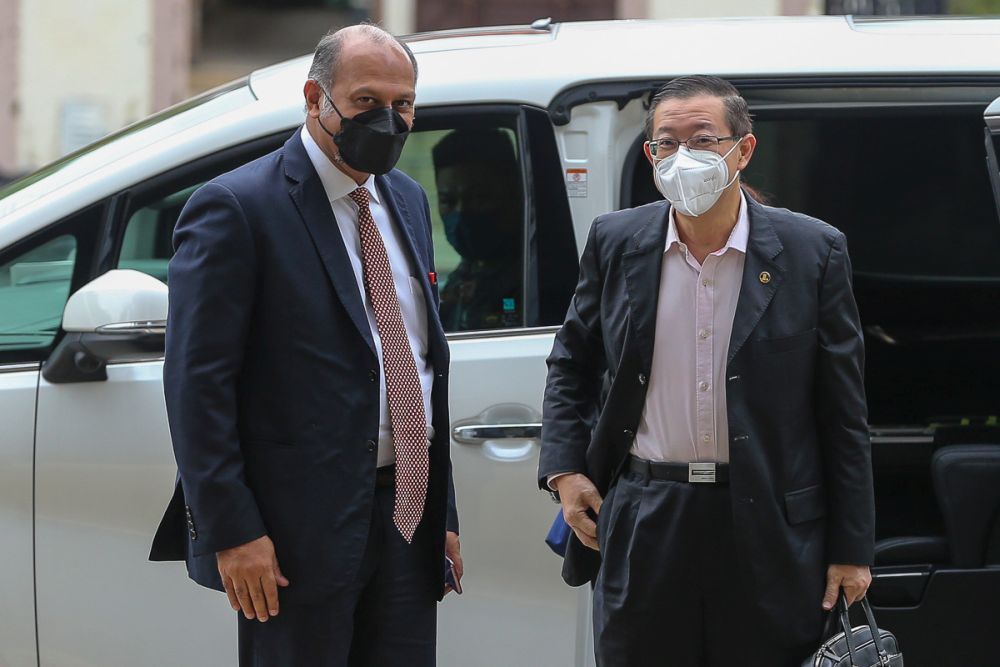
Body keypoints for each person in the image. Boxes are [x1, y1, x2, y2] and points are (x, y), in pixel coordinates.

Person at [149, 24, 462, 667]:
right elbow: (196, 386)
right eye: (367, 100)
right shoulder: (237, 207)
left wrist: (442, 515)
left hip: (406, 517)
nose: (389, 119)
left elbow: (420, 360)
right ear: (315, 97)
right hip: (293, 537)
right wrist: (233, 531)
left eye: (402, 104)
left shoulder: (404, 197)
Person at [538, 75, 874, 667]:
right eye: (667, 144)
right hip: (647, 513)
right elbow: (573, 363)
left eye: (703, 140)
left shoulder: (812, 252)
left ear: (743, 150)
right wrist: (565, 471)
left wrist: (852, 549)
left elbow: (842, 412)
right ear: (650, 157)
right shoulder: (617, 242)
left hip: (765, 519)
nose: (683, 157)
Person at [431, 128, 523, 331]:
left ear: (513, 195)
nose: (462, 212)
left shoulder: (531, 275)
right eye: (448, 201)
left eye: (478, 198)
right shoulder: (466, 274)